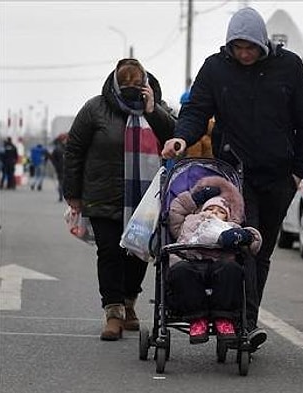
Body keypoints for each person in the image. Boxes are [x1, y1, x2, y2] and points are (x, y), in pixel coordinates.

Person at [161, 7, 303, 349]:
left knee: (261, 254)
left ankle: (244, 320)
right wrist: (181, 139)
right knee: (242, 246)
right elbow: (196, 111)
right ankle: (242, 326)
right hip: (236, 176)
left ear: (262, 44)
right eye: (238, 48)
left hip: (278, 177)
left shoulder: (289, 67)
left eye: (250, 48)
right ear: (229, 46)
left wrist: (297, 171)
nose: (245, 54)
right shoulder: (215, 69)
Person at [63, 58, 176, 341]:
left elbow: (176, 139)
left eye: (136, 85)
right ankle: (113, 312)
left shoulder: (157, 109)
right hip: (103, 194)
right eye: (125, 85)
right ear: (115, 83)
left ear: (146, 85)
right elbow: (74, 150)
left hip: (146, 199)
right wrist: (73, 194)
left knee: (138, 251)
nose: (130, 90)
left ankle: (129, 303)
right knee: (110, 252)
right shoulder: (95, 109)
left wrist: (152, 111)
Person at [167, 176, 261, 344]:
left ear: (228, 217)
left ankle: (224, 318)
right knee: (180, 270)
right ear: (200, 210)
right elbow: (175, 211)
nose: (213, 214)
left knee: (232, 269)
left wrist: (244, 236)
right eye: (209, 209)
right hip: (191, 261)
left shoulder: (230, 227)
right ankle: (197, 319)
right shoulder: (189, 221)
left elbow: (254, 241)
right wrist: (194, 199)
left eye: (220, 212)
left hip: (219, 263)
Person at [49, 133, 67, 202]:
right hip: (65, 168)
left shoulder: (57, 148)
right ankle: (63, 195)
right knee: (64, 182)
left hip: (59, 168)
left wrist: (56, 165)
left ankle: (61, 196)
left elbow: (52, 158)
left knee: (61, 182)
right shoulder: (67, 147)